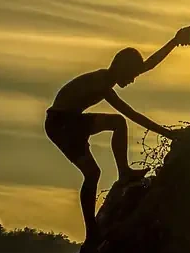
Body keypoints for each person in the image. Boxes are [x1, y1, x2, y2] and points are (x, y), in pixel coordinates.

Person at [45, 38, 180, 242]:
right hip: (62, 123)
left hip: (66, 122)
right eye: (131, 75)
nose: (133, 80)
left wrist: (175, 42)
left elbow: (148, 65)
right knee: (117, 124)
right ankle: (122, 175)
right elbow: (131, 114)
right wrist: (167, 133)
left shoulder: (109, 78)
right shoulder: (102, 83)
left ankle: (92, 230)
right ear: (122, 68)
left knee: (93, 173)